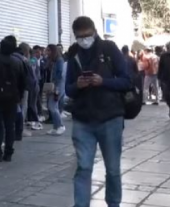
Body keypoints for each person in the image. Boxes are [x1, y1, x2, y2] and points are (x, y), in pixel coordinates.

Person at [65, 16, 131, 207]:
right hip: (83, 120)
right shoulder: (74, 54)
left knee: (112, 169)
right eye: (80, 37)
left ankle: (113, 204)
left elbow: (127, 81)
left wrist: (103, 82)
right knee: (83, 167)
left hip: (110, 118)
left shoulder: (109, 49)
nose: (84, 40)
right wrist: (78, 85)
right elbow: (68, 89)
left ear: (94, 32)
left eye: (87, 35)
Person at [45, 45, 66, 135]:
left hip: (57, 85)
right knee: (53, 106)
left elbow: (59, 74)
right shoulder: (52, 61)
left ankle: (60, 125)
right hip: (53, 85)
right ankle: (55, 126)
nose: (47, 52)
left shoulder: (59, 60)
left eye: (49, 50)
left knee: (52, 106)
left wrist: (55, 86)